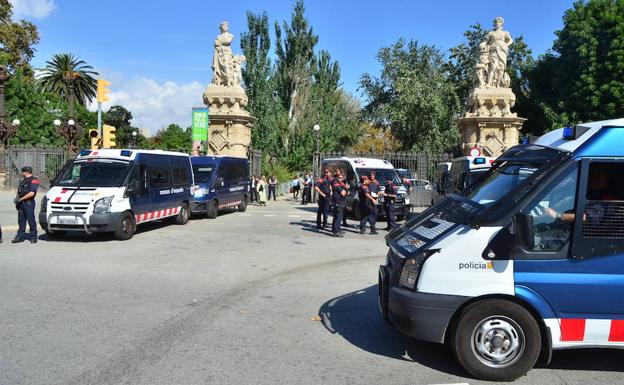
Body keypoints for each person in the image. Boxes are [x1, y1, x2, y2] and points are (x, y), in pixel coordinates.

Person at [12, 166, 40, 243]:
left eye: (23, 172)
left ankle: (33, 236)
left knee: (31, 220)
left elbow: (31, 193)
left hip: (29, 203)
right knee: (21, 221)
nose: (22, 173)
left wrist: (21, 199)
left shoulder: (34, 181)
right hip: (21, 203)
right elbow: (19, 191)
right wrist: (17, 199)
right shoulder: (22, 180)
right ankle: (20, 236)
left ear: (25, 172)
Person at [331, 171, 348, 237]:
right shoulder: (337, 184)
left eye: (342, 177)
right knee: (338, 217)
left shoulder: (339, 183)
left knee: (336, 217)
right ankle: (336, 231)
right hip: (338, 202)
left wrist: (345, 190)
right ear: (337, 177)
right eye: (339, 177)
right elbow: (343, 193)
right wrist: (346, 189)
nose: (341, 179)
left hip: (339, 201)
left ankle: (336, 229)